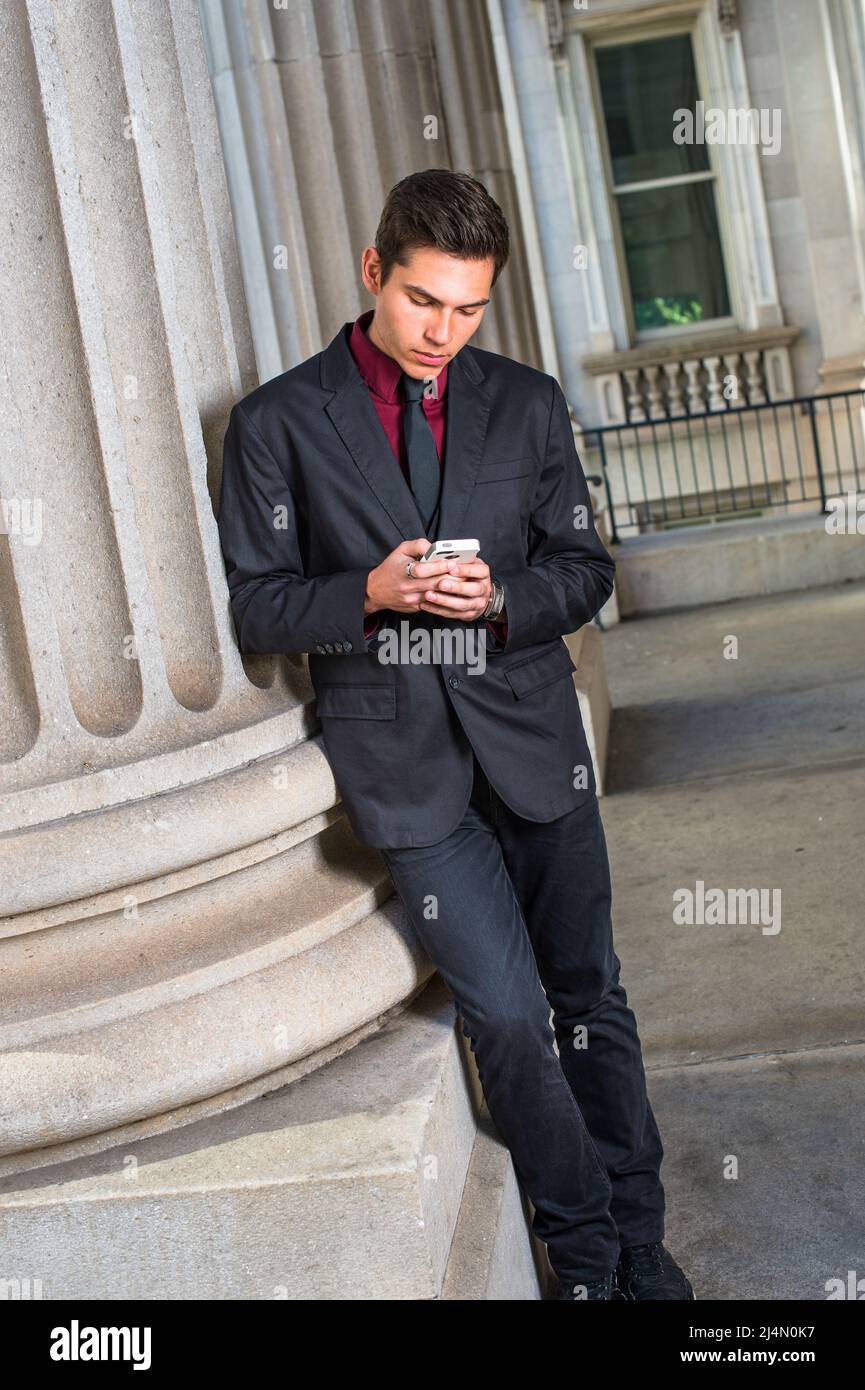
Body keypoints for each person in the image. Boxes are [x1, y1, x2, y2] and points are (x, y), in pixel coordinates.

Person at [217, 168, 695, 1302]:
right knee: (512, 1021)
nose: (445, 332)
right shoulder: (278, 422)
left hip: (535, 745)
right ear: (374, 272)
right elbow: (254, 602)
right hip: (409, 776)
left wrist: (499, 601)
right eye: (426, 301)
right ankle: (583, 1260)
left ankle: (641, 1240)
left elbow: (584, 569)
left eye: (470, 307)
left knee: (590, 998)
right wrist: (368, 590)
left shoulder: (526, 404)